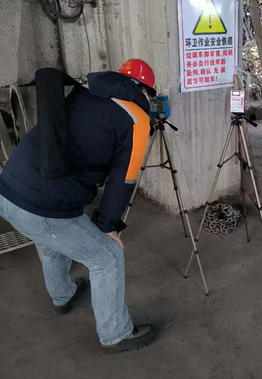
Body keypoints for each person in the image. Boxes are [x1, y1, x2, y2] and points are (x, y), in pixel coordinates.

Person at [0, 59, 156, 355]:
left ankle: (64, 297)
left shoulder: (84, 90)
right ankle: (116, 334)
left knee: (51, 242)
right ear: (146, 92)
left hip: (7, 191)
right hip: (41, 208)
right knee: (107, 258)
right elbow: (124, 180)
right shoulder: (137, 118)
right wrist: (108, 226)